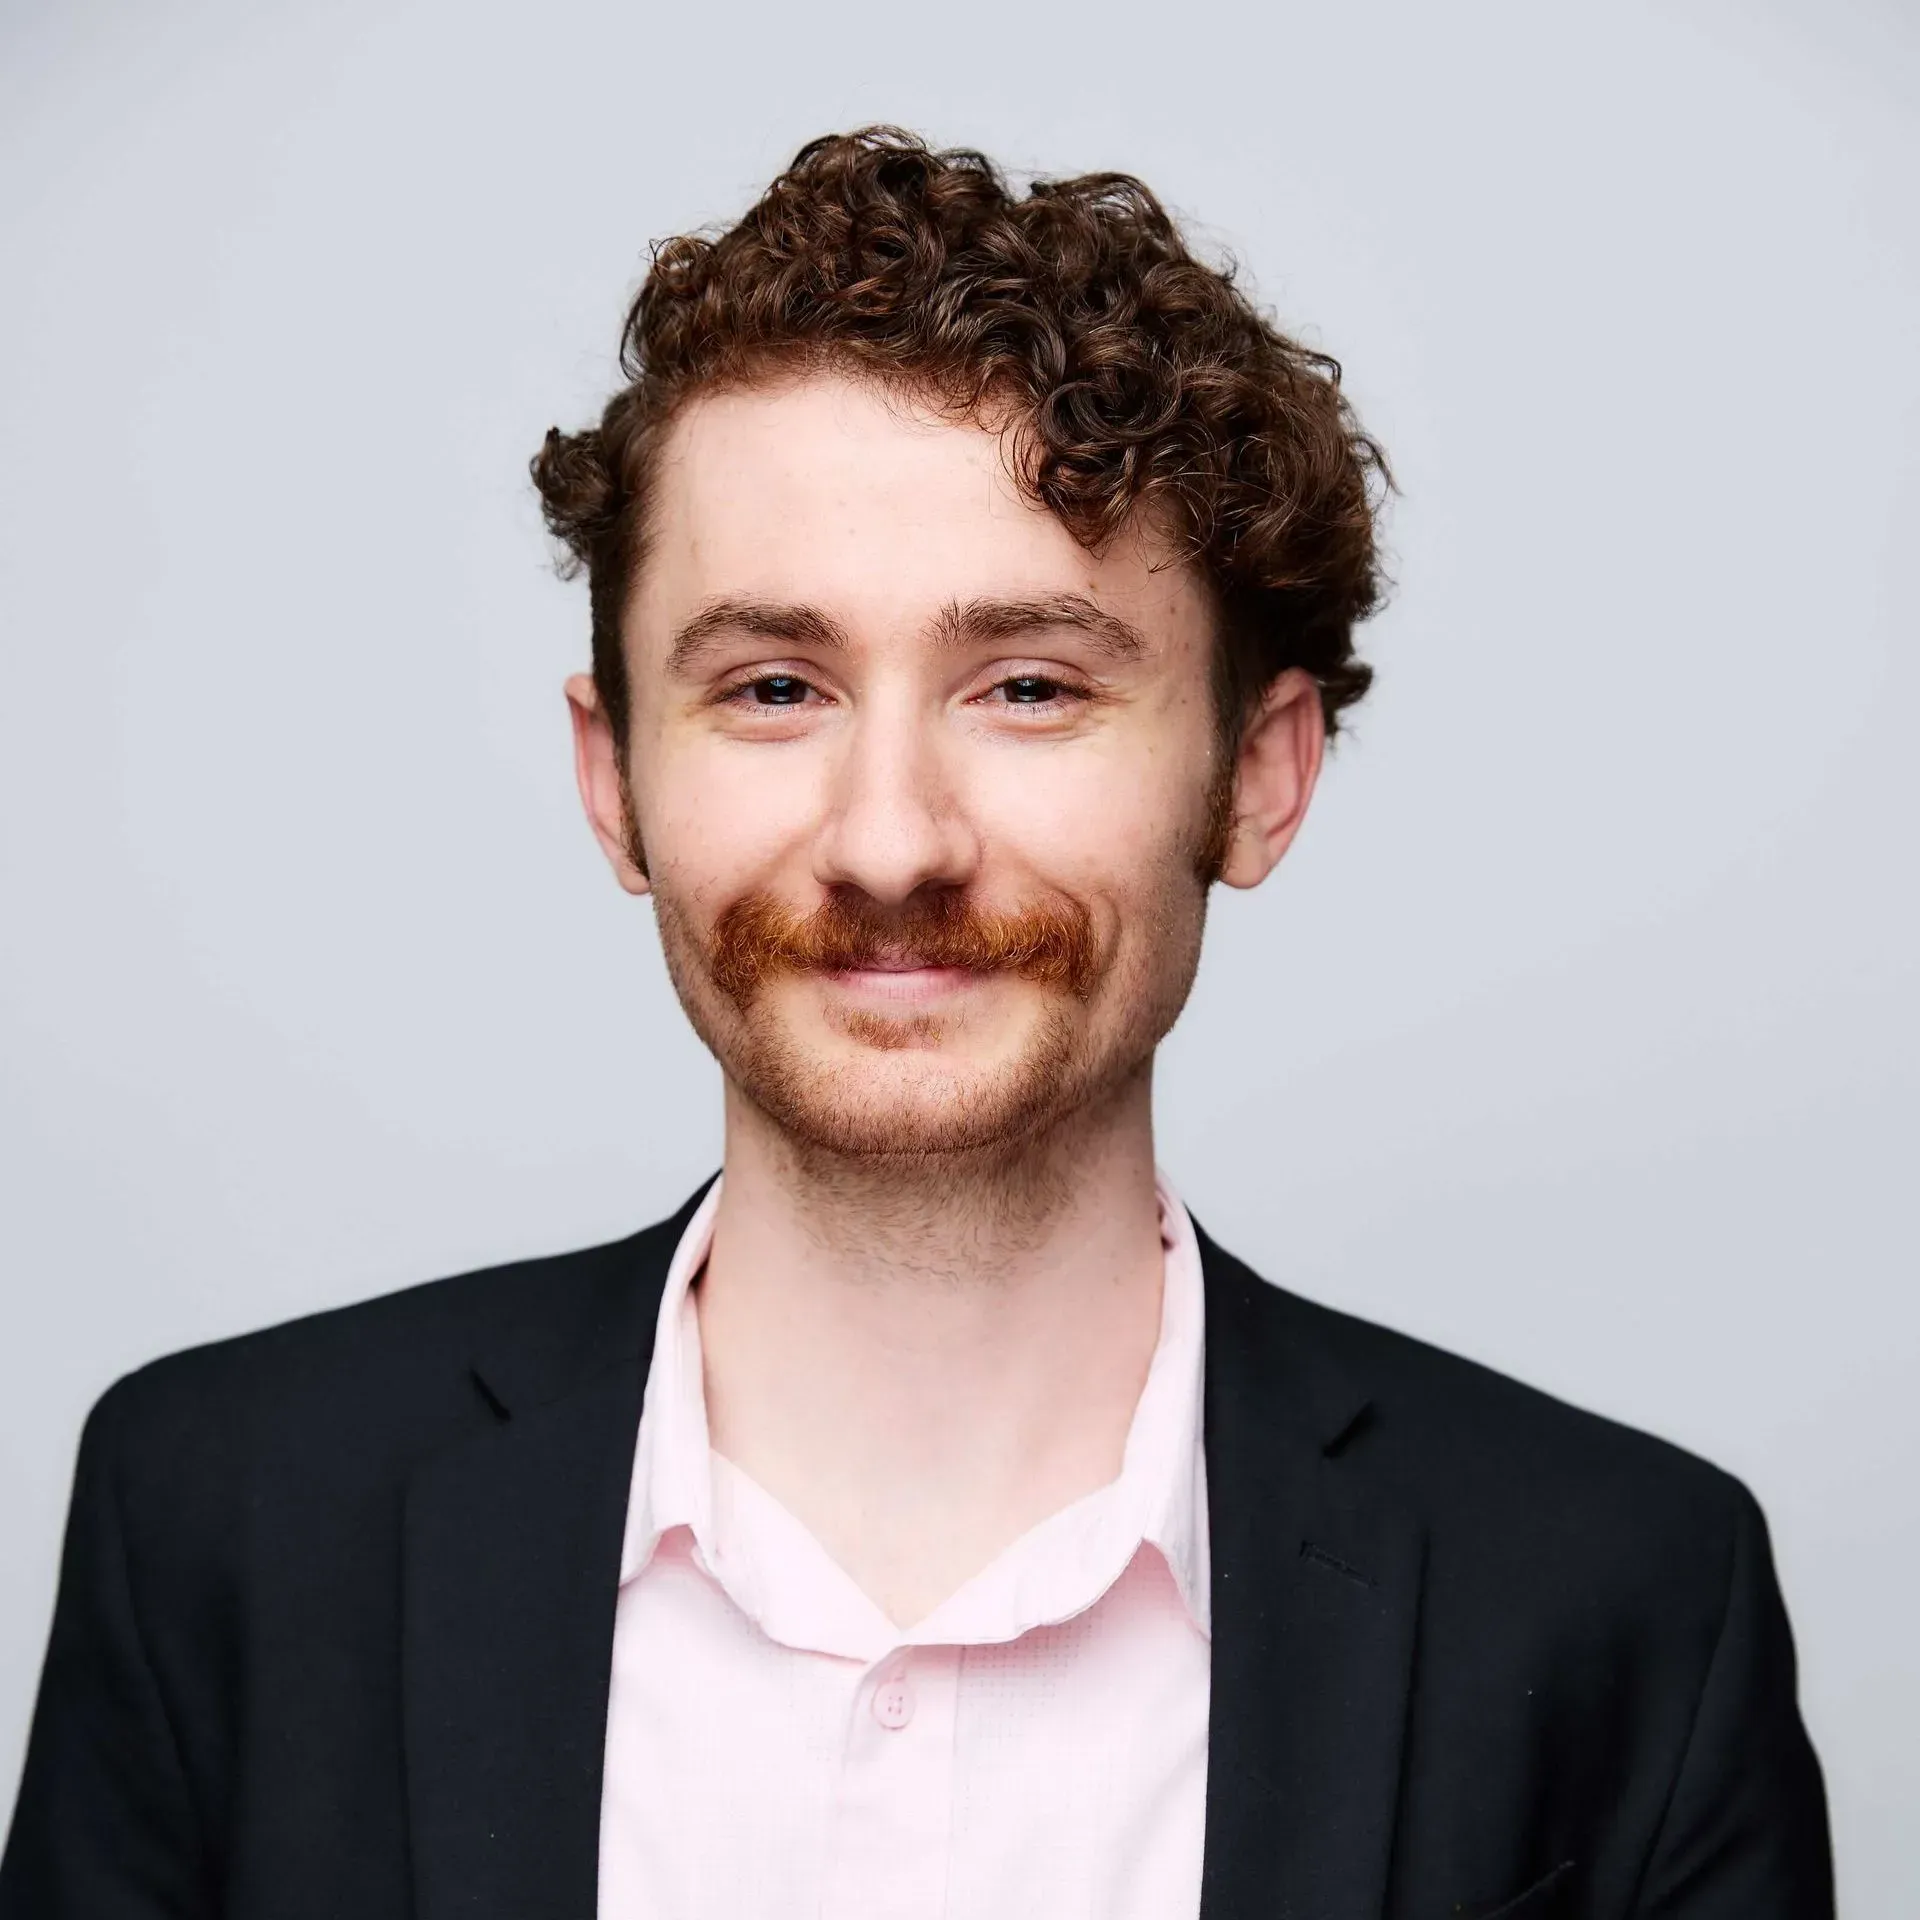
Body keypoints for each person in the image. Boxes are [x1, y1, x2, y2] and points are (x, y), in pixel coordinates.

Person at [1, 127, 1831, 1920]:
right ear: (615, 779)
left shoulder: (1630, 1608)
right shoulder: (218, 1526)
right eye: (774, 685)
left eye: (1028, 686)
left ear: (1259, 781)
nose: (891, 841)